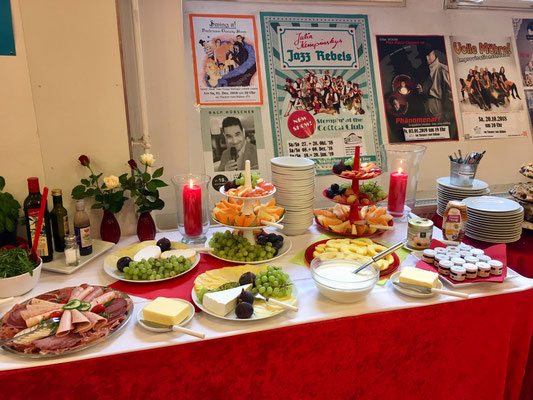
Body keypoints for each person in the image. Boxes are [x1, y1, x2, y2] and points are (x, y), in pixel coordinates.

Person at [415, 42, 453, 117]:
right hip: (425, 114)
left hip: (440, 115)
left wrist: (447, 116)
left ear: (433, 53)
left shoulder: (443, 70)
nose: (426, 58)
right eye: (423, 56)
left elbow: (450, 97)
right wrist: (420, 91)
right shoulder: (420, 71)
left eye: (428, 55)